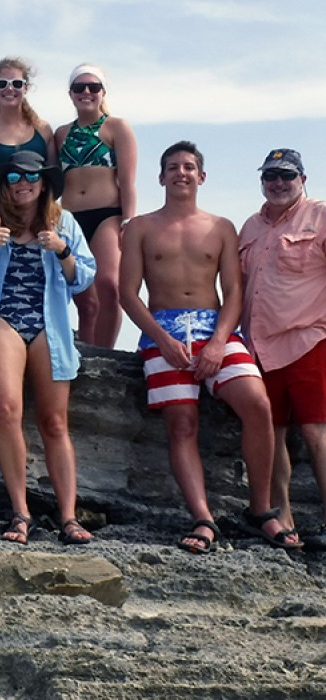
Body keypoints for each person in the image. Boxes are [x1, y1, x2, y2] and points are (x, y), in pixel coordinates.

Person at [119, 141, 300, 553]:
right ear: (161, 177)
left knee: (257, 404)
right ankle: (203, 519)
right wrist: (161, 340)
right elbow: (128, 294)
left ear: (201, 176)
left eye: (188, 167)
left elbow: (234, 291)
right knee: (182, 423)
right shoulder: (141, 228)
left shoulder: (221, 227)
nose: (181, 173)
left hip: (213, 327)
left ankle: (260, 511)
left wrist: (219, 341)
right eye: (173, 167)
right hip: (162, 330)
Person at [0, 151, 95, 546]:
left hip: (48, 324)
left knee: (55, 422)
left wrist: (62, 250)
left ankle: (68, 517)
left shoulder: (63, 222)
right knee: (6, 412)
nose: (23, 183)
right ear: (5, 183)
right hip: (3, 319)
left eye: (32, 177)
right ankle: (21, 513)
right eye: (15, 176)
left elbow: (83, 278)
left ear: (44, 184)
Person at [238, 149, 326, 551]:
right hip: (259, 347)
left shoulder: (320, 216)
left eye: (286, 175)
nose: (277, 182)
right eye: (270, 175)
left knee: (316, 432)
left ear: (303, 178)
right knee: (270, 434)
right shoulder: (250, 227)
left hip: (310, 340)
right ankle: (283, 517)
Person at [54, 63, 137, 348]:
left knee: (109, 285)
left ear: (103, 92)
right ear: (71, 94)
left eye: (93, 87)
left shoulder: (117, 127)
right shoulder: (61, 133)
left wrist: (129, 221)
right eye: (79, 87)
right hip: (72, 217)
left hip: (107, 215)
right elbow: (52, 181)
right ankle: (87, 354)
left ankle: (106, 352)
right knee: (83, 294)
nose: (86, 92)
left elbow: (127, 181)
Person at [0, 57, 55, 235]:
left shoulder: (43, 130)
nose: (10, 88)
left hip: (37, 223)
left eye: (17, 83)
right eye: (2, 83)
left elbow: (52, 182)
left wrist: (51, 220)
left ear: (26, 87)